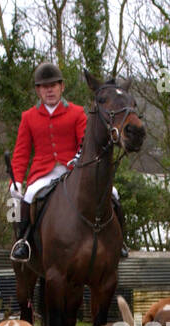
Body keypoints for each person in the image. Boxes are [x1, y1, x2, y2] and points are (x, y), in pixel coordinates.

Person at [9, 62, 127, 262]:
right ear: (38, 90)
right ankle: (23, 242)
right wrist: (16, 181)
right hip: (43, 173)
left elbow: (86, 143)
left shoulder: (76, 112)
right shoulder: (28, 117)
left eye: (53, 85)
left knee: (114, 194)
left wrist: (79, 160)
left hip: (73, 169)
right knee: (27, 196)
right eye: (44, 87)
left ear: (62, 87)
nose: (49, 90)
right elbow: (21, 153)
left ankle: (121, 241)